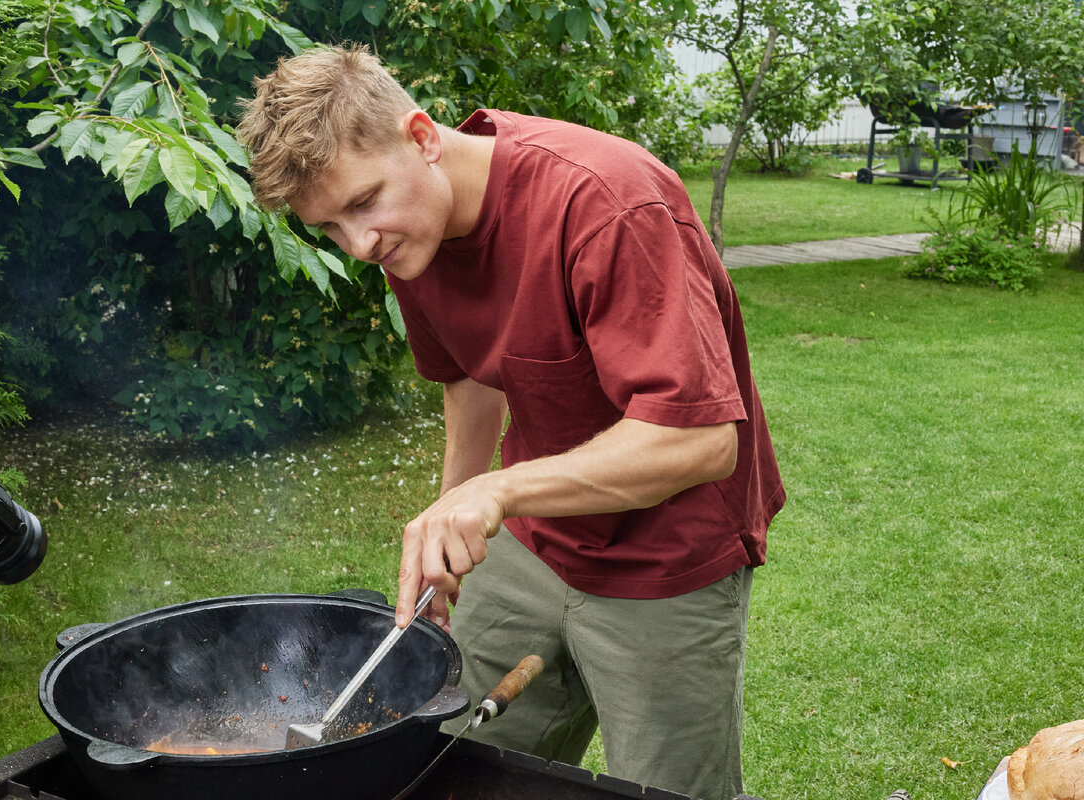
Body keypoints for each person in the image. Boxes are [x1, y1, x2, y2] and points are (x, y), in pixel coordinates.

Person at [238, 43, 785, 800]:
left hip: (669, 558)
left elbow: (699, 439)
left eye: (363, 203)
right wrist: (448, 521)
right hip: (533, 546)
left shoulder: (605, 203)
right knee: (449, 764)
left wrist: (496, 492)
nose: (360, 245)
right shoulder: (413, 240)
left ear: (423, 137)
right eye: (330, 228)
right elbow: (468, 380)